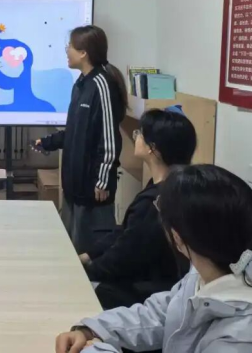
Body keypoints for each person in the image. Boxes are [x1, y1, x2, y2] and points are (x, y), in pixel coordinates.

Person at [56, 165, 252, 353]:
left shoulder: (248, 340)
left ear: (178, 236)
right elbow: (163, 314)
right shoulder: (214, 268)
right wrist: (93, 330)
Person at [80, 106, 194, 309]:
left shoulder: (154, 203)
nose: (136, 136)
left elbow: (123, 259)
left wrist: (85, 271)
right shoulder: (176, 186)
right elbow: (126, 233)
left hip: (147, 294)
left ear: (152, 148)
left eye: (139, 133)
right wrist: (90, 254)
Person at [36, 25, 128, 253]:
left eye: (70, 46)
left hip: (93, 190)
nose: (67, 50)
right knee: (70, 249)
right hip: (73, 187)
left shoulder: (102, 85)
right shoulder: (81, 84)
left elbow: (109, 138)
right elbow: (76, 131)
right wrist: (49, 142)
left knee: (89, 254)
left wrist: (103, 180)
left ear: (84, 52)